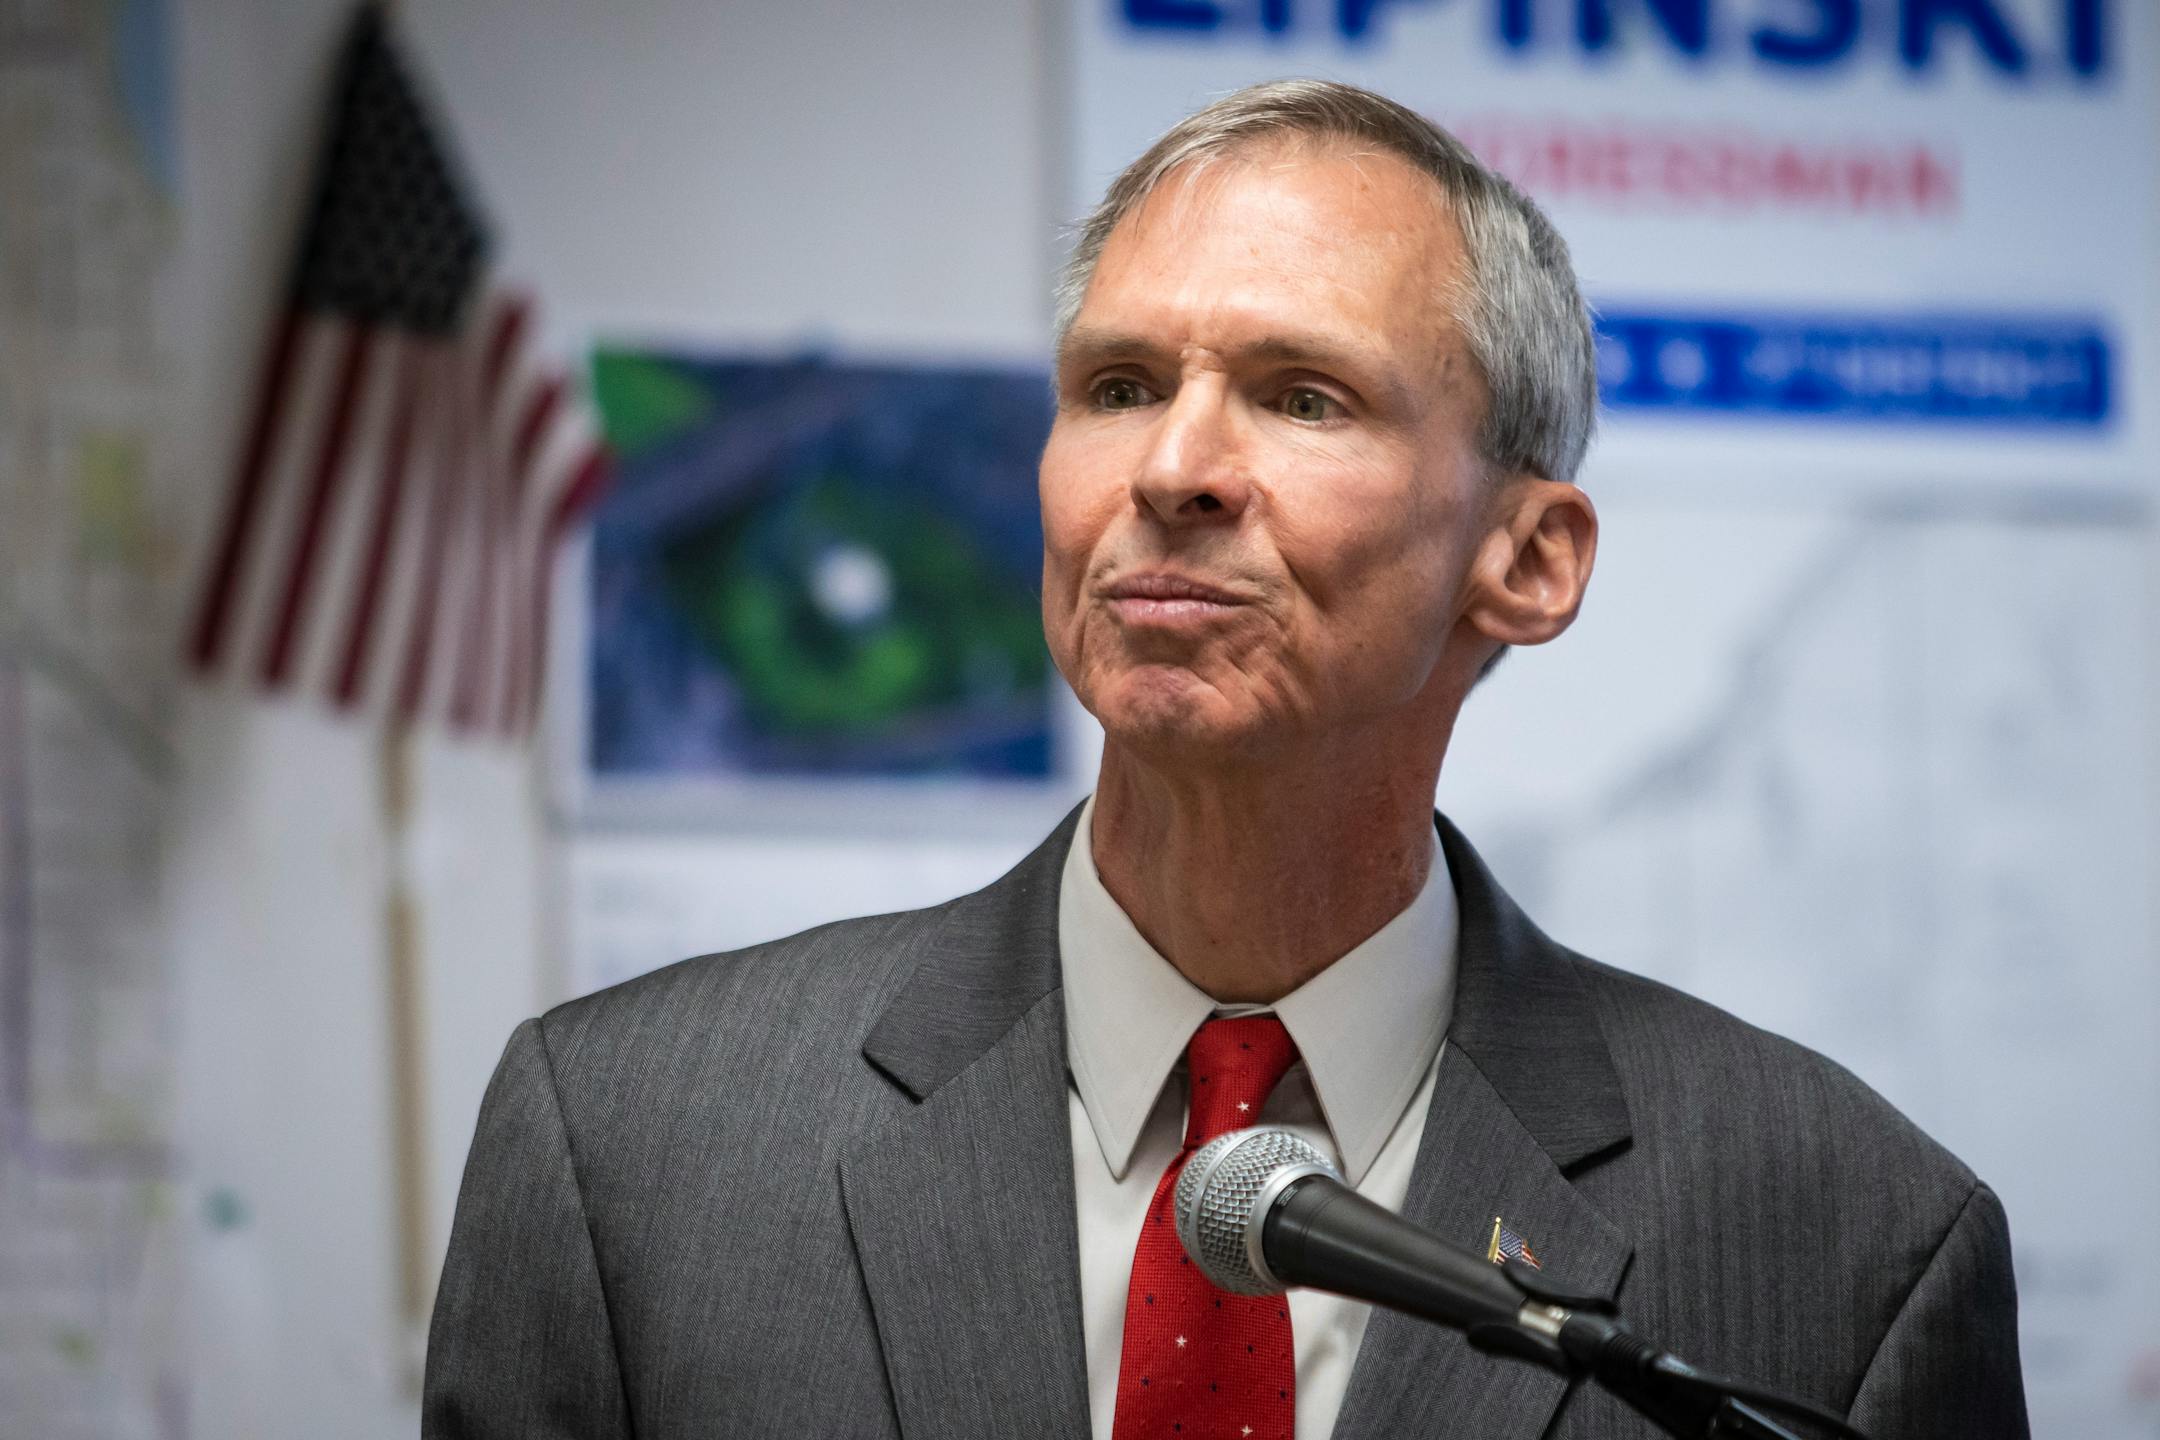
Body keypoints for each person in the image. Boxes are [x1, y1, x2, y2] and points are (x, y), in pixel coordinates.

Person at [425, 80, 2027, 1439]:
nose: (1175, 468)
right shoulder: (625, 1146)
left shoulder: (1854, 1247)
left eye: (1301, 396)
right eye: (1118, 387)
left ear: (1527, 560)